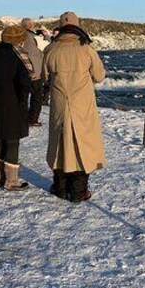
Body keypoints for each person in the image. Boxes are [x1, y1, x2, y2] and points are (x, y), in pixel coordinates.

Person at [43, 11, 106, 202]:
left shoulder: (51, 49)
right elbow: (99, 75)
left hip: (60, 103)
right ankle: (79, 190)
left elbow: (45, 76)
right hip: (82, 104)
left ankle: (60, 187)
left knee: (60, 144)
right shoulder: (85, 48)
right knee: (82, 144)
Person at [0, 25, 32, 191]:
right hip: (13, 105)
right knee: (12, 141)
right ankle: (11, 180)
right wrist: (23, 103)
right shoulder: (18, 58)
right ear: (18, 41)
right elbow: (24, 84)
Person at [20, 18, 45, 127]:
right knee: (36, 97)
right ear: (30, 26)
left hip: (22, 71)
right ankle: (33, 118)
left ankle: (22, 118)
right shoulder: (34, 37)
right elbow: (43, 49)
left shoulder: (19, 37)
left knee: (23, 97)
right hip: (35, 71)